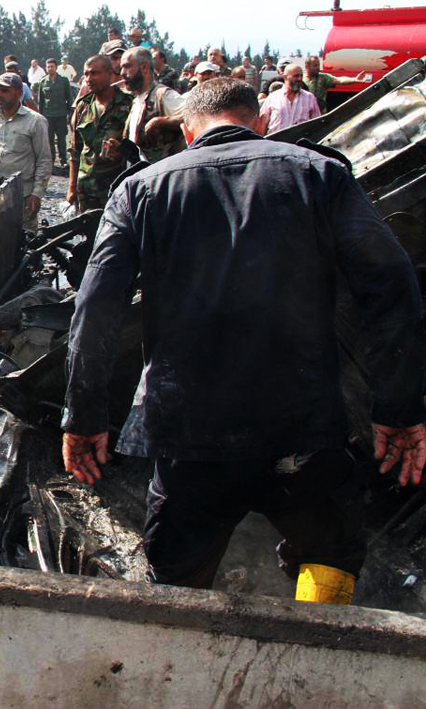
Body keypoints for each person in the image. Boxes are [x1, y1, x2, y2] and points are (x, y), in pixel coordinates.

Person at [61, 77, 426, 603]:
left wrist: (83, 416)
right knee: (329, 553)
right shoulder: (319, 174)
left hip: (191, 437)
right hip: (303, 431)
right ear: (257, 121)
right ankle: (315, 649)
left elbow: (95, 310)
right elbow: (392, 286)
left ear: (188, 132)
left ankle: (188, 668)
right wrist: (398, 407)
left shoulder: (139, 189)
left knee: (178, 586)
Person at [0, 72, 50, 230]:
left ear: (19, 93)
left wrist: (37, 194)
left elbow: (44, 160)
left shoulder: (35, 121)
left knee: (25, 245)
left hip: (23, 195)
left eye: (5, 91)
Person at [68, 54, 131, 213]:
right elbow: (75, 150)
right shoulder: (83, 106)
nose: (89, 78)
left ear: (110, 74)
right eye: (87, 74)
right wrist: (71, 187)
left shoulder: (128, 103)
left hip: (116, 189)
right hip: (86, 189)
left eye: (95, 73)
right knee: (87, 236)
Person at [121, 47, 185, 164]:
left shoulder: (163, 96)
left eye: (127, 66)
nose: (122, 73)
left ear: (144, 67)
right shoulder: (136, 101)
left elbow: (194, 117)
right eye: (122, 68)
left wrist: (161, 121)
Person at [258, 64, 320, 134]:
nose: (299, 79)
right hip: (275, 143)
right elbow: (261, 127)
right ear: (286, 77)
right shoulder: (272, 98)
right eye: (296, 76)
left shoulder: (310, 98)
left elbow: (317, 126)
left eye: (301, 76)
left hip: (300, 144)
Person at [34, 58, 72, 168]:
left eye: (52, 66)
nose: (50, 68)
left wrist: (70, 113)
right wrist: (40, 116)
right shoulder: (43, 81)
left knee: (61, 139)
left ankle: (63, 160)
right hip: (48, 115)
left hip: (61, 114)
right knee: (49, 139)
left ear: (56, 67)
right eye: (48, 67)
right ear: (46, 68)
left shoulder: (64, 80)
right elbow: (40, 101)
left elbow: (69, 97)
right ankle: (51, 160)